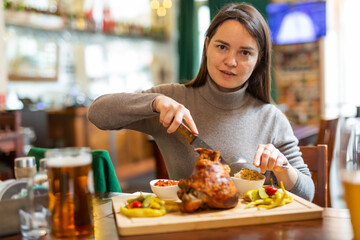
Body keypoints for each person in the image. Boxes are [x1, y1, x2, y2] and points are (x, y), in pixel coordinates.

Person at [88, 3, 314, 201]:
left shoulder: (271, 118)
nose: (230, 61)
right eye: (222, 47)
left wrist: (282, 168)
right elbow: (96, 113)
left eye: (245, 52)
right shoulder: (172, 101)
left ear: (259, 59)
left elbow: (308, 194)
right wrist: (155, 102)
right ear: (207, 45)